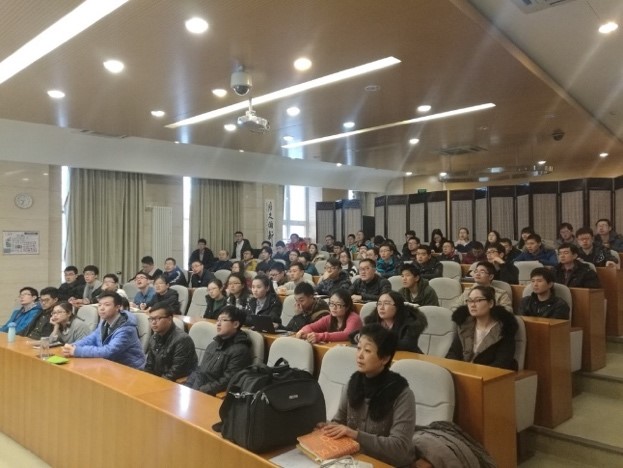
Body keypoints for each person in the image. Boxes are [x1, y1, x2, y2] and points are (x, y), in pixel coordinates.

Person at [322, 323, 416, 467]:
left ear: (385, 358)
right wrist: (327, 427)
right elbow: (339, 422)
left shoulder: (402, 394)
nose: (359, 355)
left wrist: (355, 435)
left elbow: (399, 448)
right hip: (356, 460)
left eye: (367, 350)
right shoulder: (352, 384)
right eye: (358, 348)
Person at [62, 292, 146, 369]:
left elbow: (108, 351)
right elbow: (91, 338)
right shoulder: (104, 321)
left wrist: (77, 351)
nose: (101, 308)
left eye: (106, 305)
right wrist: (73, 346)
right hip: (111, 365)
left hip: (130, 369)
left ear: (117, 307)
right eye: (99, 305)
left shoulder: (127, 329)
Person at [446, 286, 518, 370]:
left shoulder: (505, 329)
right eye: (469, 300)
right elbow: (452, 354)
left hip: (488, 375)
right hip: (463, 372)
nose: (472, 305)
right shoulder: (464, 325)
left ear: (491, 303)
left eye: (478, 300)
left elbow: (502, 363)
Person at [185, 306, 253, 395]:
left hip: (210, 395)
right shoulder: (213, 345)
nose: (218, 324)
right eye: (218, 320)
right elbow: (200, 370)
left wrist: (202, 390)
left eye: (223, 320)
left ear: (236, 324)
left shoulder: (241, 351)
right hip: (197, 389)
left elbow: (227, 381)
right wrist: (187, 386)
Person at [357, 291, 428, 353]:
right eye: (379, 304)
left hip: (409, 358)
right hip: (382, 357)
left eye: (386, 303)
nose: (381, 307)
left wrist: (374, 341)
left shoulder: (410, 322)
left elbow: (406, 345)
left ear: (397, 306)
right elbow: (357, 335)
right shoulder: (373, 320)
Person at [144, 302, 197, 381]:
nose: (153, 322)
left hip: (176, 383)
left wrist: (156, 383)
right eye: (151, 319)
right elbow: (149, 365)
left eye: (157, 318)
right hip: (158, 379)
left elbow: (176, 372)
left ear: (169, 319)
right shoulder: (154, 338)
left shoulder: (182, 340)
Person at [296, 289, 362, 343]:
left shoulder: (354, 318)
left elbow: (346, 334)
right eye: (331, 304)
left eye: (338, 305)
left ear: (347, 307)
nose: (334, 308)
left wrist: (320, 336)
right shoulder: (329, 318)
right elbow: (311, 327)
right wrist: (304, 332)